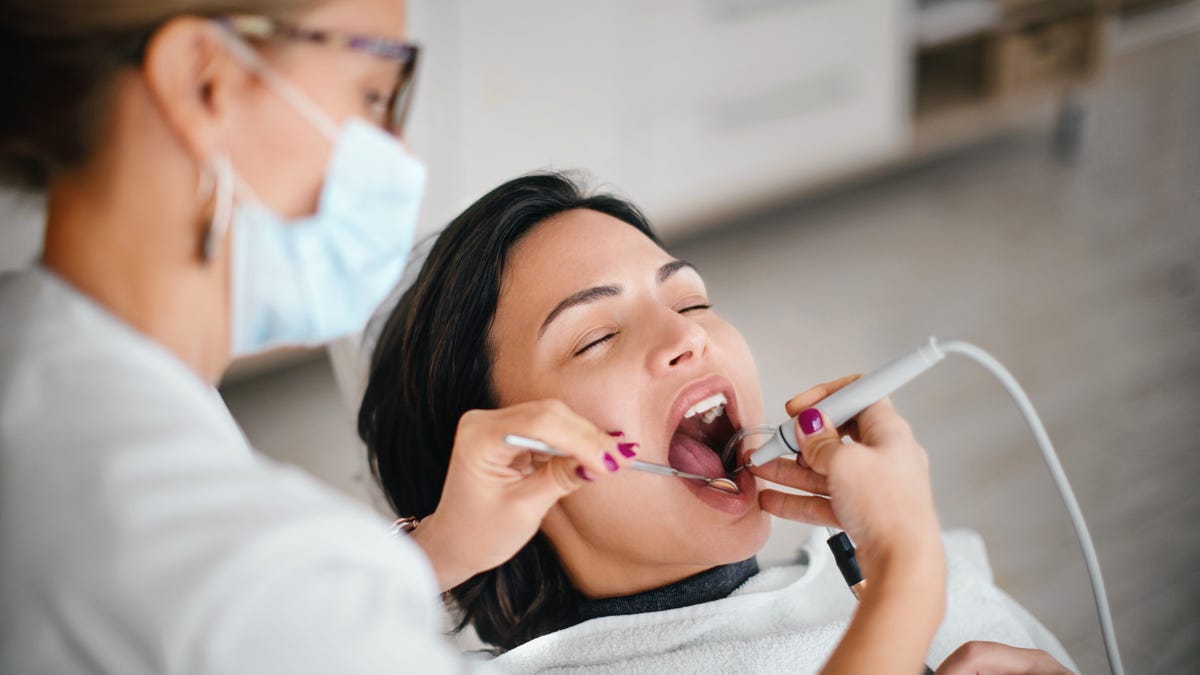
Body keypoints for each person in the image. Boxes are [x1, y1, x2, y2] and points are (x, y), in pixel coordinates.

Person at [0, 2, 640, 672]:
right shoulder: (269, 586)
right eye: (373, 95)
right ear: (203, 80)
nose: (401, 158)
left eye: (693, 300)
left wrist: (433, 552)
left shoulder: (38, 360)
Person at [359, 172, 1079, 673]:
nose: (687, 337)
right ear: (516, 461)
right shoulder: (908, 572)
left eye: (692, 301)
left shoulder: (899, 574)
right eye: (595, 337)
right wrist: (437, 553)